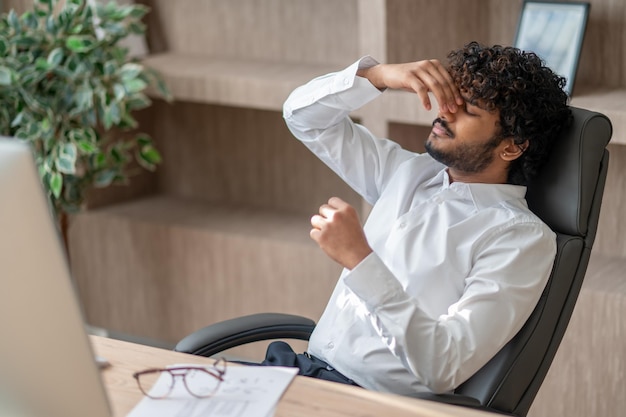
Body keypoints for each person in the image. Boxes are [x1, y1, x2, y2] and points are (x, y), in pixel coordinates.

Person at [260, 42, 572, 397]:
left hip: (366, 402)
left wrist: (359, 260)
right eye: (450, 98)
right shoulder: (410, 173)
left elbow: (443, 366)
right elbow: (302, 118)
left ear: (512, 146)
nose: (444, 112)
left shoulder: (520, 238)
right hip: (298, 373)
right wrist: (378, 76)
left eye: (467, 109)